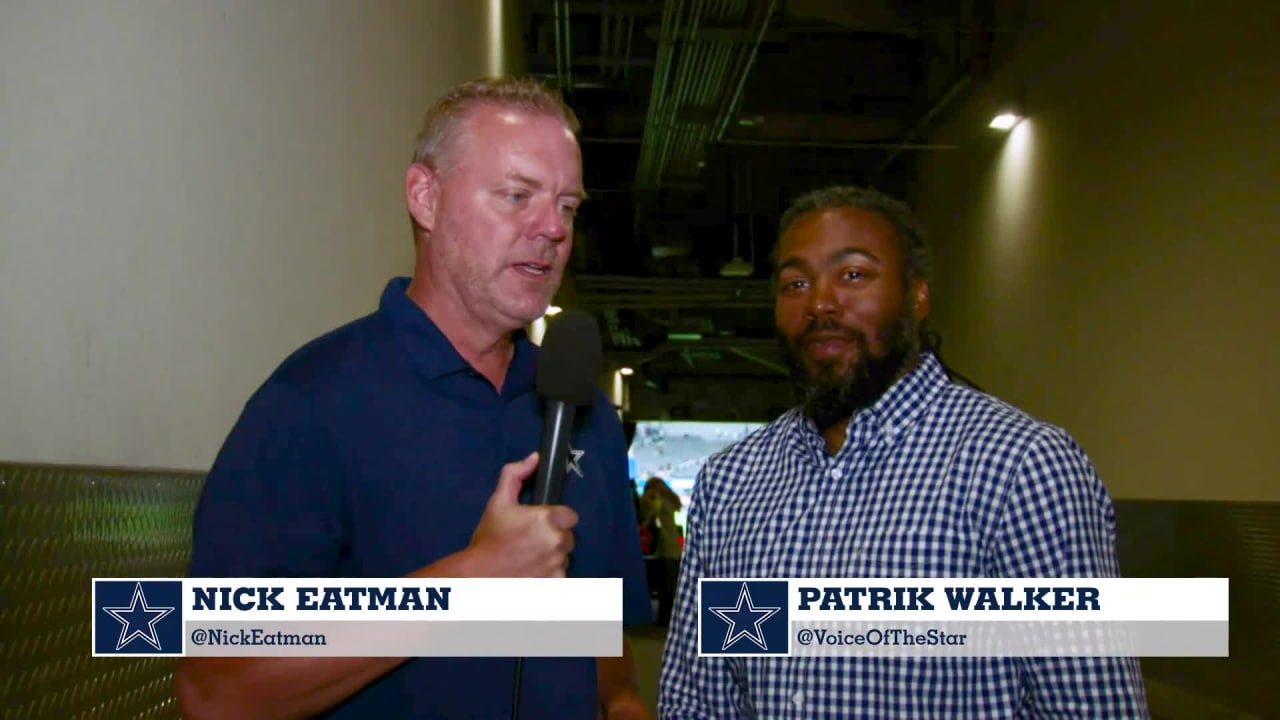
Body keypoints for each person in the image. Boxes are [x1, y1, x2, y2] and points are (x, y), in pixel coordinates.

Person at [175, 77, 652, 720]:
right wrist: (464, 584)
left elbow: (604, 648)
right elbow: (217, 692)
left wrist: (623, 705)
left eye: (567, 206)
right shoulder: (310, 405)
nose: (551, 230)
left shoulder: (583, 413)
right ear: (425, 198)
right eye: (518, 196)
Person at [657, 185, 1149, 717]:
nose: (819, 302)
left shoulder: (1022, 469)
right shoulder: (733, 482)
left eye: (853, 275)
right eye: (796, 282)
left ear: (917, 295)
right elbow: (701, 700)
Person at [639, 477, 683, 625]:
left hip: (664, 546)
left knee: (666, 584)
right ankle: (671, 616)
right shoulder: (671, 500)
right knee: (671, 583)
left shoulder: (658, 500)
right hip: (672, 545)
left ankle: (665, 618)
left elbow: (652, 514)